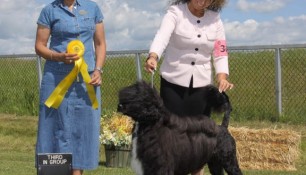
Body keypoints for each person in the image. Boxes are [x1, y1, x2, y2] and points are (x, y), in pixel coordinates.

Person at [145, 0, 233, 174]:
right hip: (173, 85)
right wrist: (153, 56)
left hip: (202, 88)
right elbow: (162, 36)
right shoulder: (175, 13)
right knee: (173, 140)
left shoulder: (215, 20)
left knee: (198, 141)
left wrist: (222, 77)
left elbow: (220, 52)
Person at [34, 0, 106, 174]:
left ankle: (77, 172)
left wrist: (98, 69)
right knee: (55, 126)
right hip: (56, 78)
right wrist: (58, 56)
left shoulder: (93, 8)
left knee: (82, 129)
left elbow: (100, 44)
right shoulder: (48, 11)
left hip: (86, 80)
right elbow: (39, 46)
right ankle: (54, 170)